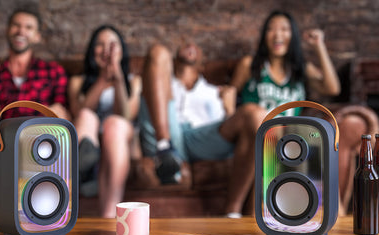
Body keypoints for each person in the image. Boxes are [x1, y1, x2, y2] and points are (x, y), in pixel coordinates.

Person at [230, 10, 368, 215]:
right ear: (264, 36)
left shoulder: (299, 68)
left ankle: (334, 215)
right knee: (267, 134)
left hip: (289, 135)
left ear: (292, 36)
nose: (277, 35)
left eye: (284, 29)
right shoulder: (250, 65)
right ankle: (253, 213)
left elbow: (332, 88)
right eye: (271, 29)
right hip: (256, 134)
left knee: (323, 136)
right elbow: (231, 95)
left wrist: (319, 46)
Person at [140, 41, 258, 218]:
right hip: (168, 133)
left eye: (196, 47)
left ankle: (232, 213)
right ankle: (165, 151)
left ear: (203, 65)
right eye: (184, 44)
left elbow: (231, 131)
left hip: (202, 138)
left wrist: (229, 108)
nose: (189, 45)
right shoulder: (158, 79)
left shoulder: (214, 92)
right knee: (158, 51)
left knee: (255, 115)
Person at [68, 25, 141, 218]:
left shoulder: (133, 81)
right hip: (88, 137)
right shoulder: (77, 81)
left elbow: (126, 115)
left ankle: (109, 213)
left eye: (112, 44)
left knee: (114, 124)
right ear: (92, 50)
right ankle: (87, 166)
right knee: (85, 116)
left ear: (122, 50)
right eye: (100, 44)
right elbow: (79, 111)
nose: (106, 50)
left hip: (118, 136)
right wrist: (102, 79)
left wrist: (117, 78)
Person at [0, 7, 70, 122]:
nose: (21, 31)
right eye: (16, 25)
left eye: (29, 27)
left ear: (37, 36)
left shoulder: (53, 71)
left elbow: (63, 114)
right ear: (7, 30)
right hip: (0, 135)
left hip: (39, 133)